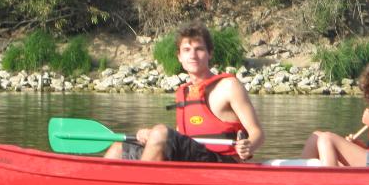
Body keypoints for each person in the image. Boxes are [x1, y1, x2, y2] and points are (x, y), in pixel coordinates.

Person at [104, 21, 264, 163]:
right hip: (193, 159)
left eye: (199, 49)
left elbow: (257, 133)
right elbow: (181, 137)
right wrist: (150, 135)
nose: (193, 55)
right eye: (187, 50)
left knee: (161, 132)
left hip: (223, 163)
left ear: (210, 53)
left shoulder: (229, 86)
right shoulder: (184, 92)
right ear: (179, 56)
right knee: (119, 149)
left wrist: (249, 145)